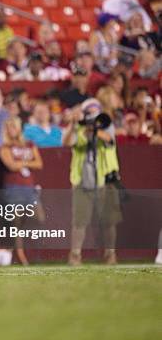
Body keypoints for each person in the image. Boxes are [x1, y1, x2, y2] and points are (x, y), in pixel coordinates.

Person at [63, 99, 121, 265]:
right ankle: (75, 256)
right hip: (82, 179)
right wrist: (74, 126)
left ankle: (110, 255)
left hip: (106, 179)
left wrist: (94, 129)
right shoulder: (79, 128)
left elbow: (108, 140)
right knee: (79, 221)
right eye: (89, 112)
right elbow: (67, 142)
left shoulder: (106, 125)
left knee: (109, 221)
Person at [0, 117, 43, 265]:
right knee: (15, 224)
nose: (12, 130)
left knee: (38, 217)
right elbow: (11, 165)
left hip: (29, 187)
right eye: (9, 127)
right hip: (13, 186)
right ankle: (20, 256)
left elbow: (39, 163)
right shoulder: (5, 147)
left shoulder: (29, 144)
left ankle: (12, 248)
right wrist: (27, 162)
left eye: (14, 126)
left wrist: (21, 162)